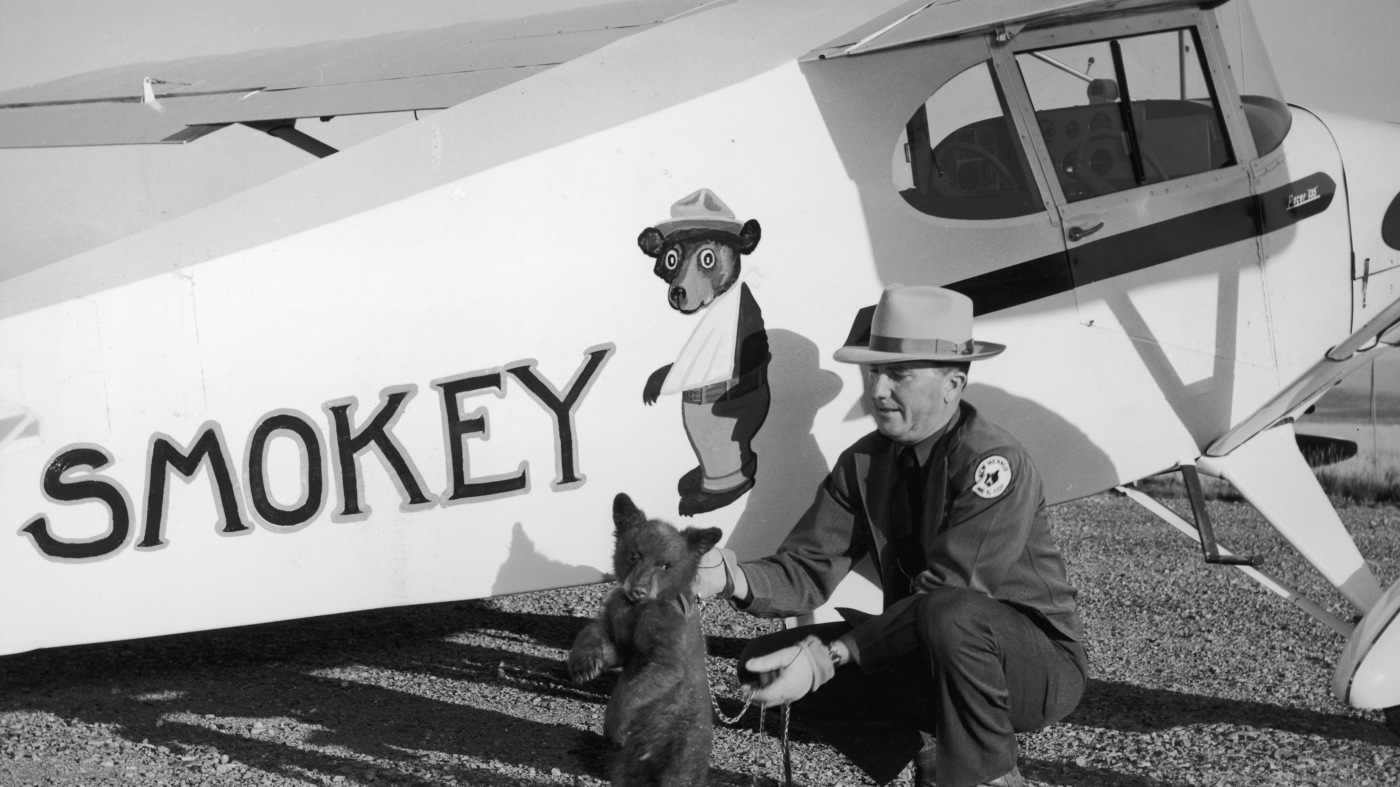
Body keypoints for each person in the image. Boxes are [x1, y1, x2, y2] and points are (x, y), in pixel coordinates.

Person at [696, 285, 1085, 787]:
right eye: (874, 372)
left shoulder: (994, 463)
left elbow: (952, 594)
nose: (877, 390)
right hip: (925, 644)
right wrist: (729, 577)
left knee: (950, 614)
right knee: (760, 666)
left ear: (953, 383)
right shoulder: (862, 463)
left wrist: (833, 656)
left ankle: (987, 777)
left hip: (1032, 669)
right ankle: (931, 752)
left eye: (898, 374)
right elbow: (808, 569)